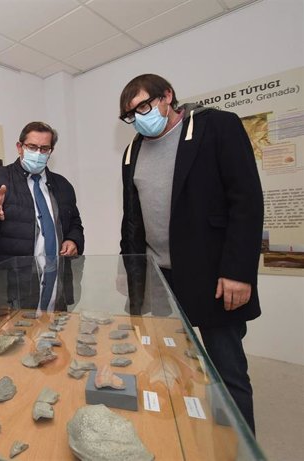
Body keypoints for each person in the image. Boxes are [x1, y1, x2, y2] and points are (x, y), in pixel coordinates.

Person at [118, 74, 263, 432]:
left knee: (225, 370)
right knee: (170, 364)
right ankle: (185, 435)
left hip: (215, 275)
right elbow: (132, 219)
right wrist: (133, 280)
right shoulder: (132, 150)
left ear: (167, 96)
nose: (138, 117)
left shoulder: (217, 127)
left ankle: (237, 447)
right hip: (161, 277)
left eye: (144, 106)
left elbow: (246, 202)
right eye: (130, 114)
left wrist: (239, 272)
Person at [0, 121, 84, 311]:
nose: (38, 153)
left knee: (56, 336)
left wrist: (73, 240)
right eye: (32, 147)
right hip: (14, 287)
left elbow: (74, 223)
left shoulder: (63, 185)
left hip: (56, 279)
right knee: (20, 339)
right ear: (20, 147)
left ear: (51, 151)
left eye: (44, 148)